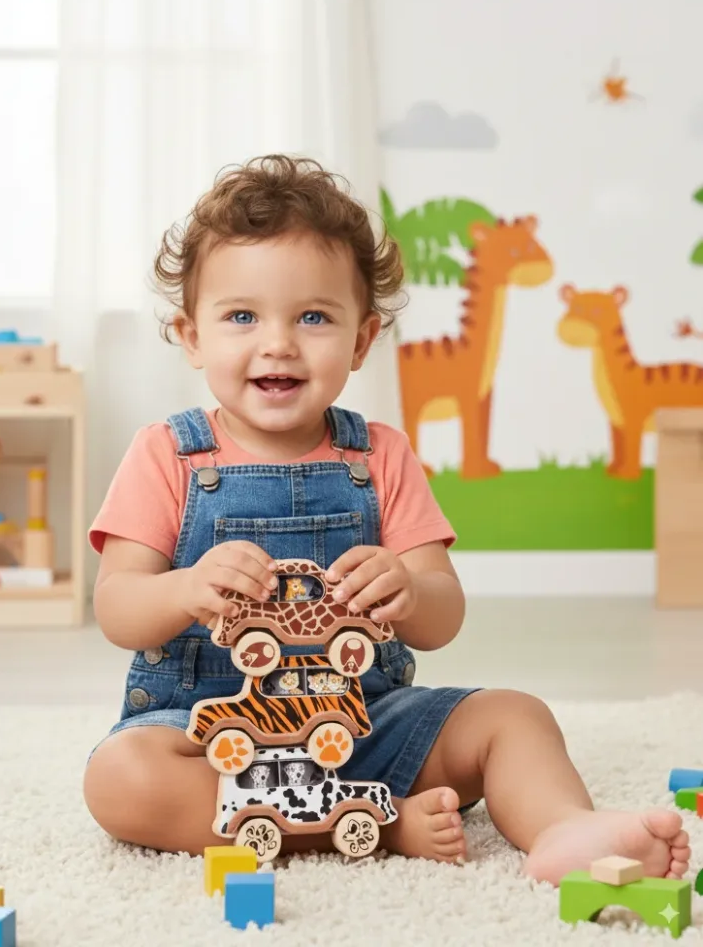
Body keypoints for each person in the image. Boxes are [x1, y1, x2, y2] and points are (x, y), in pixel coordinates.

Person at [83, 154, 688, 884]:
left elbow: (440, 615)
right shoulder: (168, 454)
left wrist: (406, 584)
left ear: (363, 340)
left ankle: (564, 828)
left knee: (512, 715)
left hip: (366, 724)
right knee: (119, 779)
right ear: (191, 336)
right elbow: (118, 606)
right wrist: (183, 589)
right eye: (241, 316)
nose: (277, 342)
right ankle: (364, 823)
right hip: (211, 735)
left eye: (313, 316)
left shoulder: (379, 456)